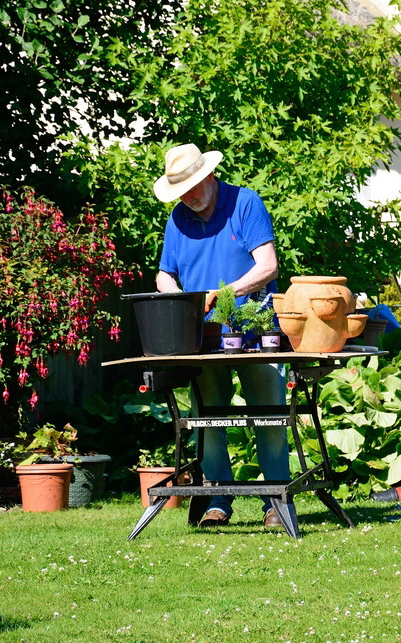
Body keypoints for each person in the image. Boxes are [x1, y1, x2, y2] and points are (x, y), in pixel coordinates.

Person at [153, 143, 290, 529]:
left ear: (209, 174)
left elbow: (268, 266)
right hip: (202, 337)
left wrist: (228, 293)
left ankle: (275, 502)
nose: (189, 196)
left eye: (193, 185)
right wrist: (177, 298)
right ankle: (218, 500)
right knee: (207, 419)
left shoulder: (246, 203)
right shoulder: (178, 219)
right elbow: (165, 273)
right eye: (181, 190)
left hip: (257, 332)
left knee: (271, 417)